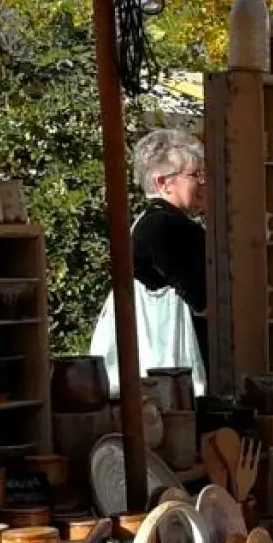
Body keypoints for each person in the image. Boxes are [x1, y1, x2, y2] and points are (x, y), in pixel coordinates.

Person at [87, 129, 207, 396]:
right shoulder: (163, 226)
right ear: (163, 182)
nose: (203, 182)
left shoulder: (152, 221)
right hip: (165, 365)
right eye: (195, 174)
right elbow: (202, 298)